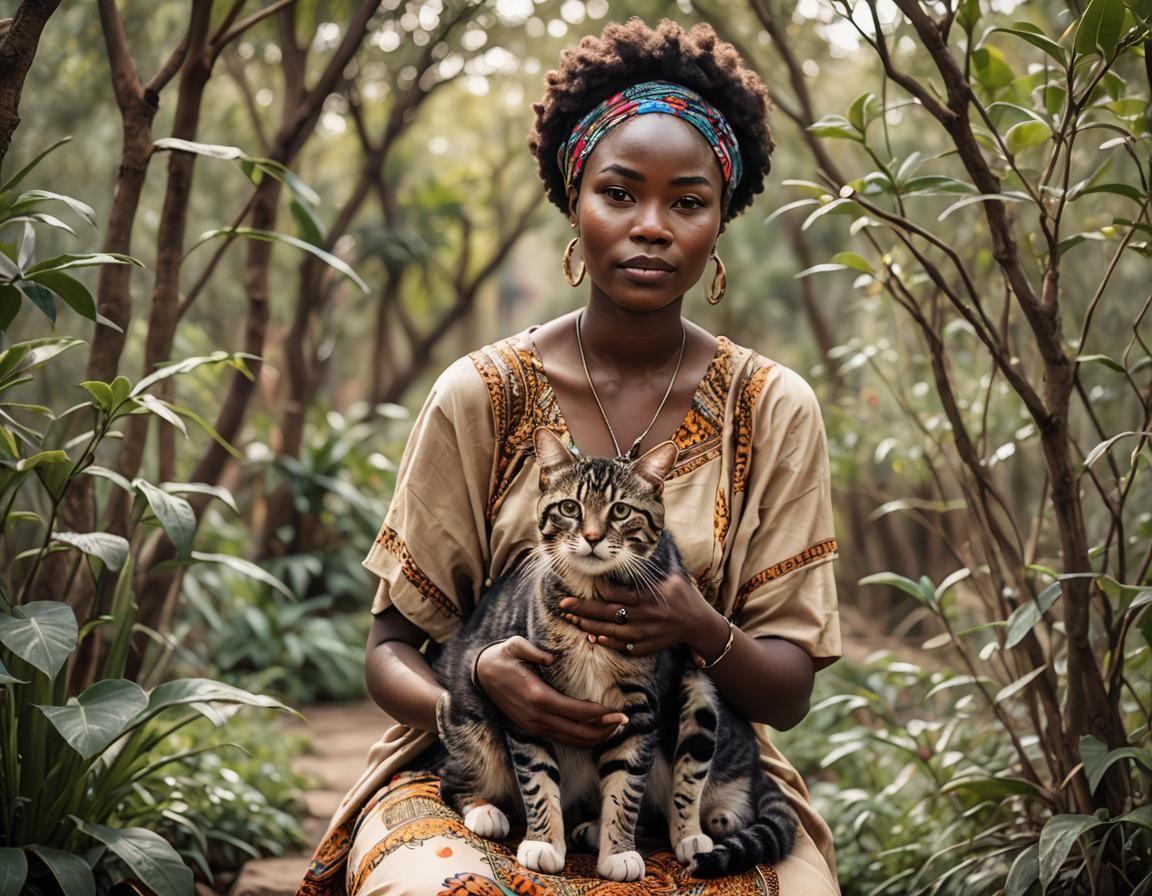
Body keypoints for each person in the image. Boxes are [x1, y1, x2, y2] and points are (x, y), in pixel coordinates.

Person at [297, 17, 841, 896]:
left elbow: (786, 692)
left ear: (720, 222)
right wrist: (474, 683)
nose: (652, 226)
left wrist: (695, 626)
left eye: (688, 201)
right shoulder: (478, 393)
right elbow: (388, 649)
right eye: (620, 193)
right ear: (573, 197)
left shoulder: (772, 408)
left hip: (691, 780)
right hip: (490, 770)